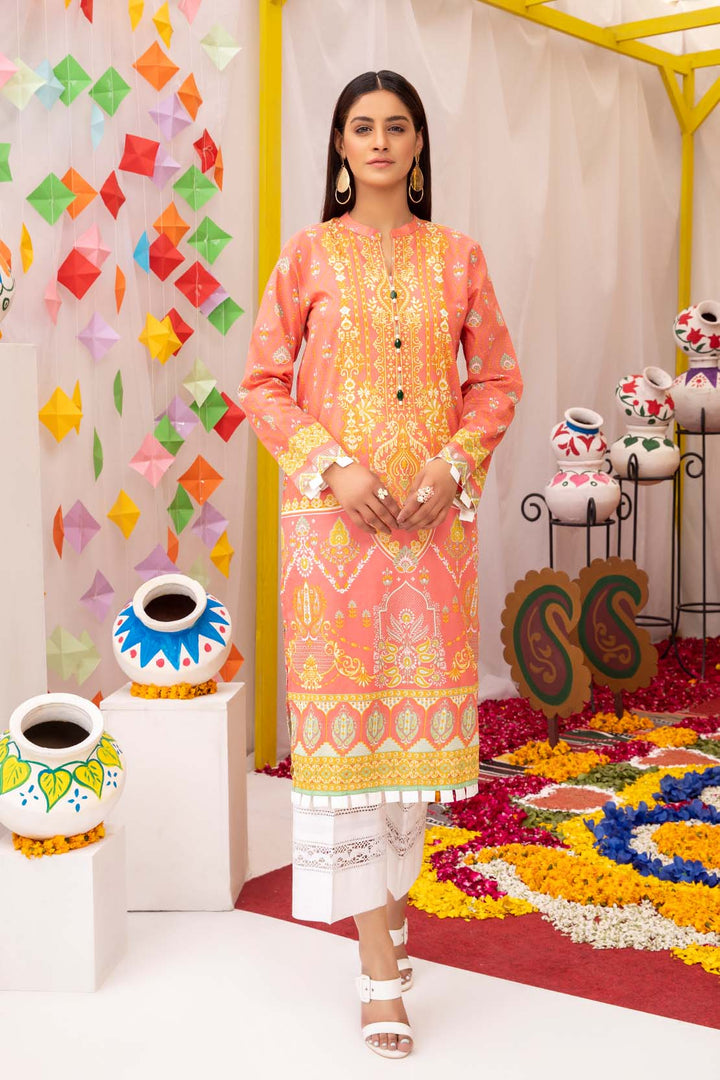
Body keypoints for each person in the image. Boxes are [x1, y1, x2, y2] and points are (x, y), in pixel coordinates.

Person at [238, 69, 522, 1060]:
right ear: (340, 145)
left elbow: (497, 379)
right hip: (336, 539)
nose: (380, 141)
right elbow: (262, 384)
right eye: (362, 126)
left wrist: (454, 465)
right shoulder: (306, 256)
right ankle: (377, 967)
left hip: (432, 538)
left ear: (418, 143)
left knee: (412, 751)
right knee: (351, 751)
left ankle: (392, 922)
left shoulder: (459, 257)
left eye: (397, 126)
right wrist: (333, 466)